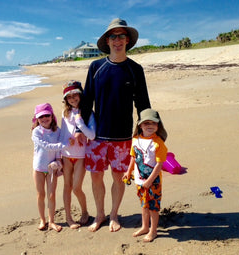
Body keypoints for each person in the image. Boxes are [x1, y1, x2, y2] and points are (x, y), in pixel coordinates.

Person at [80, 18, 151, 232]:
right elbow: (86, 101)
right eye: (113, 36)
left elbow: (143, 103)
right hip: (97, 136)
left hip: (123, 137)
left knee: (119, 178)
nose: (117, 40)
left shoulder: (135, 69)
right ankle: (100, 214)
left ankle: (113, 214)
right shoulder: (96, 67)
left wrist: (147, 133)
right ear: (107, 41)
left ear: (127, 40)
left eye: (121, 36)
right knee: (96, 177)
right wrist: (80, 129)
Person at [123, 108, 168, 242]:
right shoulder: (135, 139)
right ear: (140, 125)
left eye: (153, 123)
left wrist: (150, 180)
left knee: (153, 207)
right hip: (139, 180)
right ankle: (144, 227)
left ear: (158, 126)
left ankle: (153, 231)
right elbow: (133, 157)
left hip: (153, 182)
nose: (150, 126)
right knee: (144, 204)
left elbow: (159, 165)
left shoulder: (158, 143)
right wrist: (128, 171)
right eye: (146, 123)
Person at [60, 80, 96, 229]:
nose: (73, 99)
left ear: (80, 95)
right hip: (66, 155)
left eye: (75, 95)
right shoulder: (65, 113)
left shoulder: (87, 112)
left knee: (76, 187)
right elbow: (62, 133)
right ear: (66, 100)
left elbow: (92, 135)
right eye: (69, 97)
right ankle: (69, 218)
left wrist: (80, 125)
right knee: (67, 187)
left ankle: (85, 212)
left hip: (81, 155)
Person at [31, 103, 65, 232]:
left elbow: (57, 151)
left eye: (47, 115)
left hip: (52, 168)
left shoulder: (58, 131)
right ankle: (42, 220)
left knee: (51, 195)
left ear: (52, 116)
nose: (44, 119)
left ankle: (51, 221)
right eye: (41, 117)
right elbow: (46, 146)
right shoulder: (36, 132)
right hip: (39, 168)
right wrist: (63, 145)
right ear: (37, 119)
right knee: (41, 194)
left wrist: (58, 161)